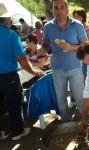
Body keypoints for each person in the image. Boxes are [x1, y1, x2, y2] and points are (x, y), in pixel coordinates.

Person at [37, 0, 87, 123]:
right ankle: (66, 126)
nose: (59, 11)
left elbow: (86, 45)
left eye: (62, 7)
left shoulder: (77, 25)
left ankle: (87, 122)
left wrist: (71, 47)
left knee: (80, 99)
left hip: (75, 68)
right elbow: (46, 43)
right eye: (56, 8)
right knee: (61, 101)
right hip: (57, 69)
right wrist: (44, 49)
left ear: (67, 9)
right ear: (52, 10)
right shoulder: (48, 26)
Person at [0, 3, 42, 140]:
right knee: (15, 104)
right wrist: (34, 72)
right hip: (9, 76)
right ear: (6, 19)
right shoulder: (11, 34)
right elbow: (22, 60)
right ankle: (17, 132)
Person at [68, 7, 89, 109]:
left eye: (78, 16)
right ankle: (73, 100)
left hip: (83, 58)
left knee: (82, 80)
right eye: (74, 16)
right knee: (71, 80)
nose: (76, 18)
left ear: (83, 18)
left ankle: (81, 100)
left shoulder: (87, 27)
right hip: (71, 58)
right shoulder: (70, 26)